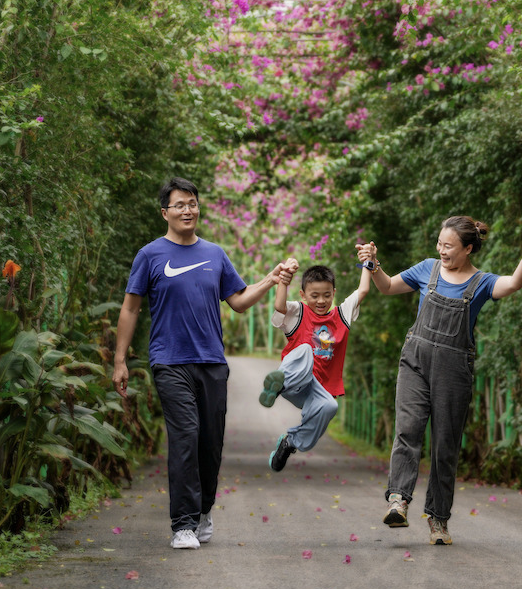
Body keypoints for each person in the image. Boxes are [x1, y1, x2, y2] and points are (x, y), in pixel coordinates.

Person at [112, 177, 291, 550]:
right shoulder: (150, 255)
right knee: (185, 437)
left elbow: (238, 301)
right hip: (169, 361)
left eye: (192, 203)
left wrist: (270, 280)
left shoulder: (215, 254)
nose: (187, 210)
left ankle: (204, 509)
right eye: (179, 204)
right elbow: (130, 308)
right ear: (165, 212)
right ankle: (183, 524)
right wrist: (119, 359)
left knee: (210, 444)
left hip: (211, 362)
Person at [359, 216, 522, 545]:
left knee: (445, 446)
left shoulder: (482, 283)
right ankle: (398, 500)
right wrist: (373, 264)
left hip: (453, 370)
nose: (441, 250)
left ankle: (438, 519)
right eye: (439, 243)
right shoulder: (428, 269)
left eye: (448, 246)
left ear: (468, 249)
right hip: (415, 362)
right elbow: (388, 286)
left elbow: (513, 284)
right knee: (408, 429)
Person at [261, 252, 374, 471]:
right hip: (294, 380)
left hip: (315, 391)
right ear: (303, 295)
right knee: (305, 350)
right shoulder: (298, 313)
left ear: (334, 293)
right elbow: (280, 306)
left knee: (330, 406)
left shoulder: (341, 316)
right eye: (314, 296)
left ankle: (290, 443)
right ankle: (277, 385)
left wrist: (368, 262)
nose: (321, 301)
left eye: (326, 295)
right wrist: (284, 279)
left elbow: (363, 290)